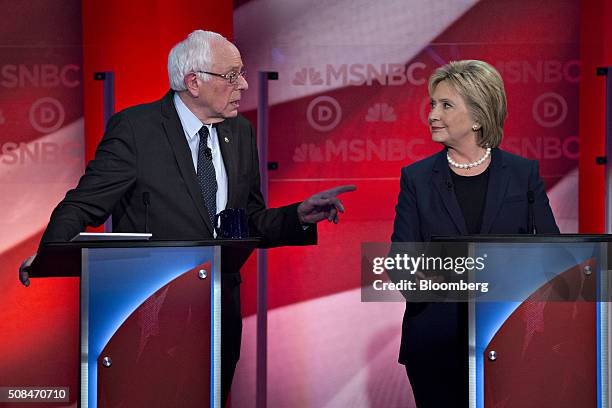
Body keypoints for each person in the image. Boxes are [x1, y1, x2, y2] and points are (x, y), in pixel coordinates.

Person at [19, 30, 355, 405]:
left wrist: (299, 216)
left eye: (242, 74)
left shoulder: (239, 132)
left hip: (218, 314)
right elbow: (83, 205)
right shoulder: (137, 129)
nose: (243, 84)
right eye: (232, 75)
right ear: (194, 82)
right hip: (152, 313)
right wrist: (51, 251)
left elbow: (248, 221)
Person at [391, 60, 559, 407]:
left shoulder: (522, 174)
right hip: (435, 343)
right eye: (433, 104)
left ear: (479, 116)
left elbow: (551, 256)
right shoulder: (417, 179)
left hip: (508, 340)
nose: (433, 114)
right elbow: (400, 263)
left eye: (446, 105)